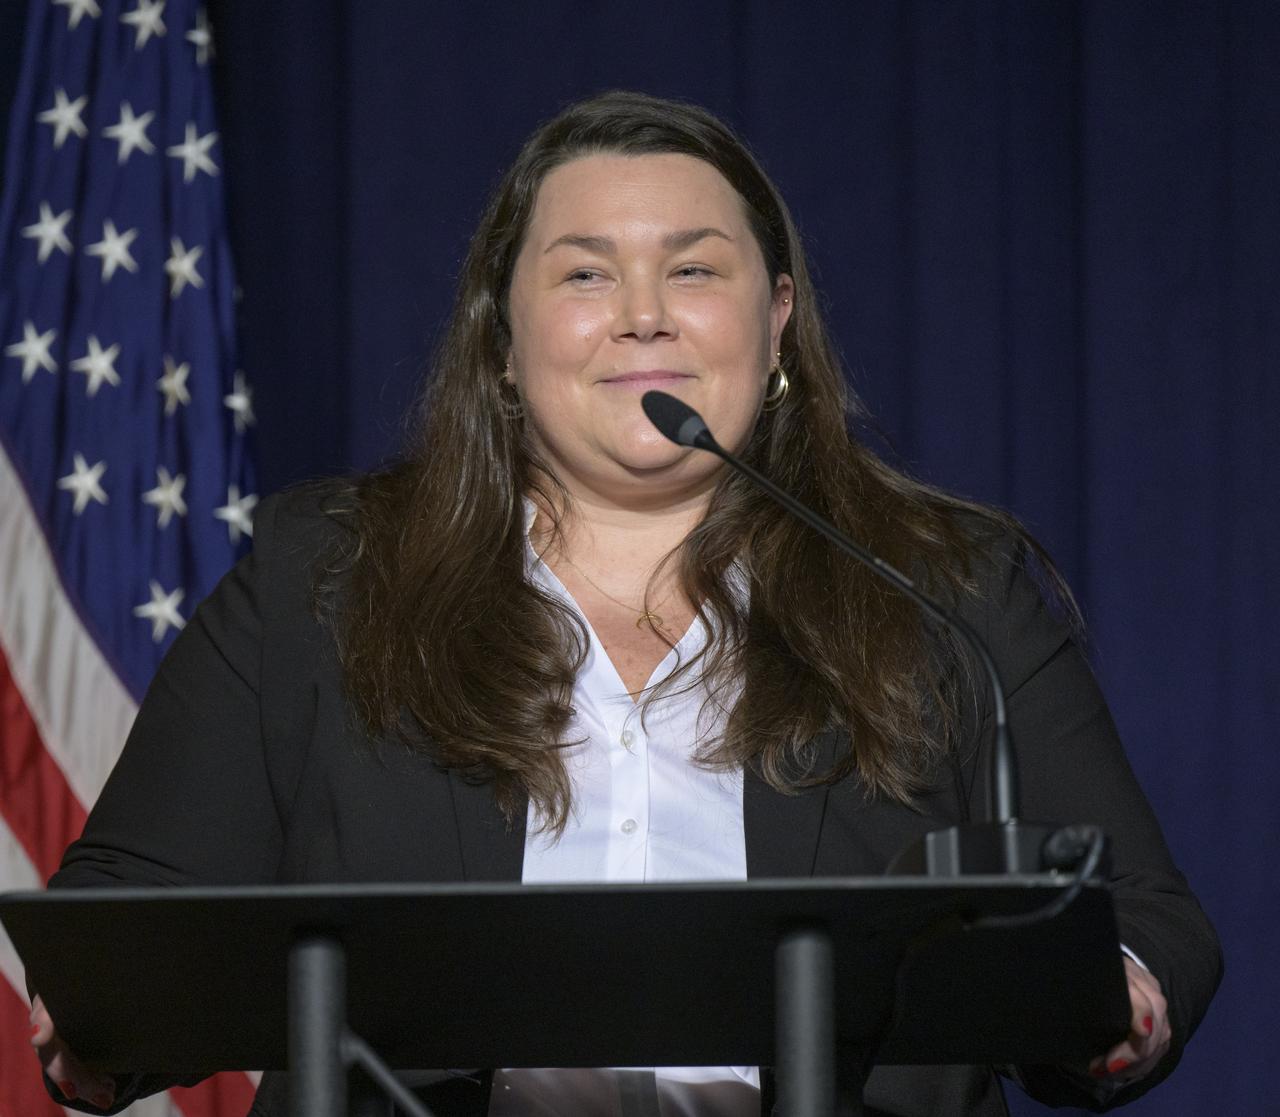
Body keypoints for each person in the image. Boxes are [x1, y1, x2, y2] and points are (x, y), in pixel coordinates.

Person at [30, 90, 1220, 1117]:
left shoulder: (940, 585)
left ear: (777, 321)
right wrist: (97, 1025)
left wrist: (1110, 990)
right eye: (585, 273)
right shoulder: (324, 581)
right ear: (502, 340)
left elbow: (1144, 920)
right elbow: (126, 915)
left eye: (693, 269)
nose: (643, 312)